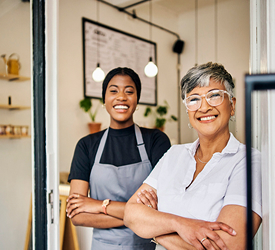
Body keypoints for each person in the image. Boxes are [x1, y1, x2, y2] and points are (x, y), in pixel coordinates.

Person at [124, 62, 262, 250]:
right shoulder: (174, 154)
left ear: (232, 105)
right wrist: (181, 225)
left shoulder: (249, 162)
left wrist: (155, 228)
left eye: (214, 96)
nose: (204, 107)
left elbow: (229, 245)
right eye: (194, 99)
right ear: (188, 110)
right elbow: (131, 214)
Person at [66, 67, 171, 250]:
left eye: (129, 91)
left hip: (148, 246)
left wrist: (100, 205)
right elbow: (77, 216)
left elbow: (162, 208)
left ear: (137, 100)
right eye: (113, 91)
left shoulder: (156, 140)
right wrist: (138, 217)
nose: (121, 97)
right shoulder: (86, 145)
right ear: (104, 99)